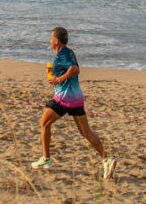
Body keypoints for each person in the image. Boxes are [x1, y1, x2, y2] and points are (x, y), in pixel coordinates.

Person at [31, 26, 117, 180]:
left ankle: (46, 159)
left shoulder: (62, 55)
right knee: (85, 132)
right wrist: (52, 76)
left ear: (56, 41)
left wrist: (58, 79)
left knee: (44, 123)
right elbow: (68, 70)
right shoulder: (68, 52)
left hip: (64, 99)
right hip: (76, 98)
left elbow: (75, 69)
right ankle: (106, 160)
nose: (50, 40)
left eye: (51, 38)